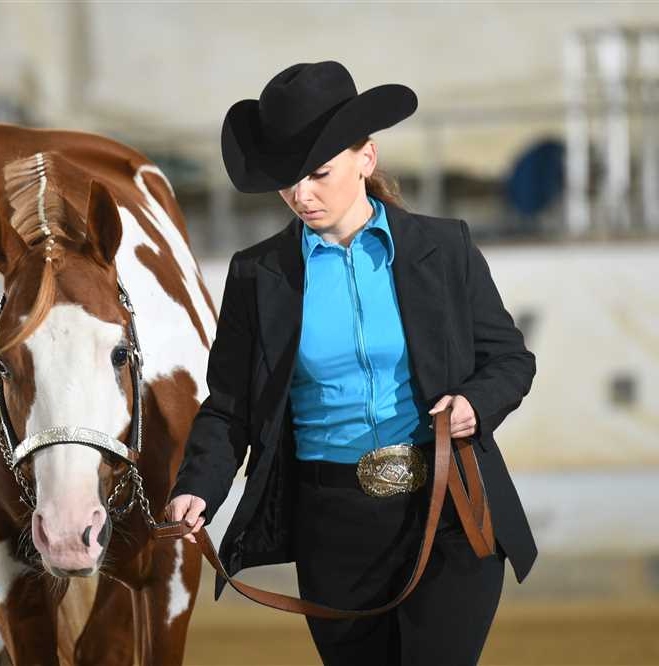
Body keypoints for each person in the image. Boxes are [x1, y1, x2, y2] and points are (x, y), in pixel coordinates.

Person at [165, 60, 538, 665]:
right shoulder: (256, 275)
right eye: (287, 180)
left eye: (318, 174)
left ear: (367, 157)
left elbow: (510, 361)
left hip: (449, 508)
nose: (300, 195)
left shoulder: (446, 247)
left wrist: (475, 403)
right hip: (332, 528)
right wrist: (197, 488)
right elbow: (230, 406)